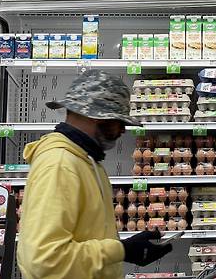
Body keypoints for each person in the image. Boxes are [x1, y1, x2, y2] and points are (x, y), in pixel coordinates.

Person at [17, 70, 172, 279]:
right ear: (98, 117)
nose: (122, 131)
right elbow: (45, 260)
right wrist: (121, 250)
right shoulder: (60, 165)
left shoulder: (86, 161)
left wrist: (123, 249)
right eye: (120, 122)